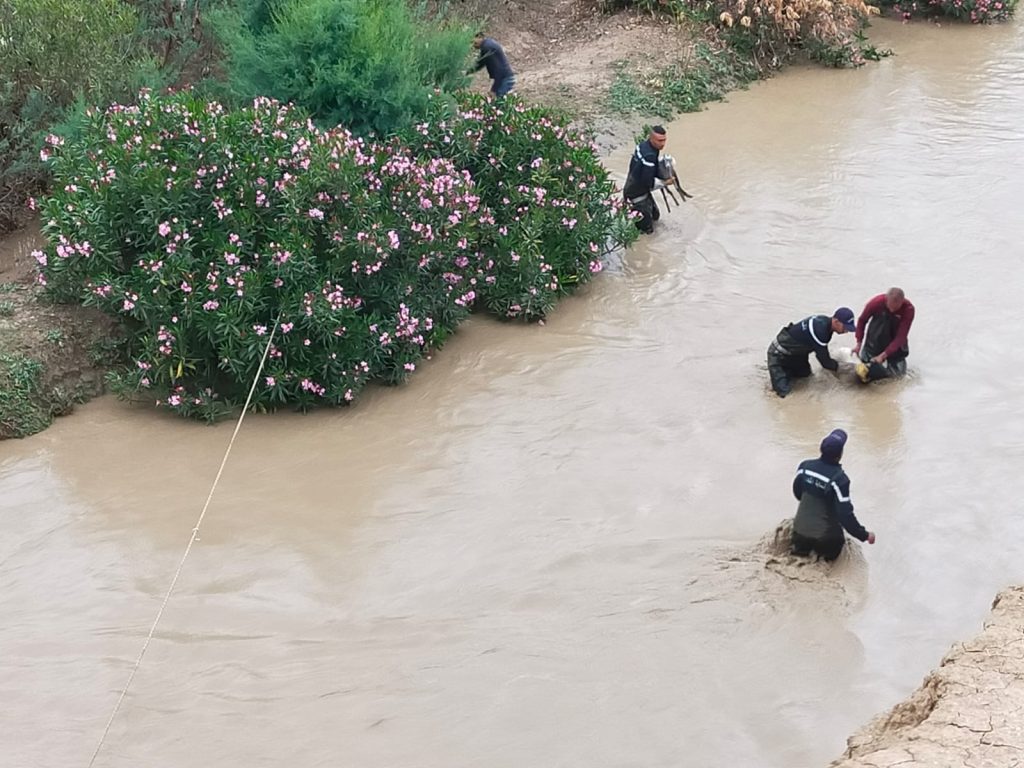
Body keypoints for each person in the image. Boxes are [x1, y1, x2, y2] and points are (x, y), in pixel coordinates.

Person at [791, 429, 876, 561]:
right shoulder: (840, 480)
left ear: (821, 449)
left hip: (799, 535)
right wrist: (865, 535)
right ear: (840, 454)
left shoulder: (804, 467)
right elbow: (845, 516)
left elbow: (798, 494)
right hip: (827, 541)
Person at [767, 308, 857, 398]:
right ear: (836, 321)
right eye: (845, 327)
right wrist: (851, 369)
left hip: (797, 355)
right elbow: (825, 362)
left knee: (805, 379)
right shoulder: (820, 331)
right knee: (785, 396)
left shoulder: (825, 323)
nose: (846, 331)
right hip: (778, 354)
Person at [853, 287, 915, 383]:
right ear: (886, 299)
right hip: (875, 338)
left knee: (896, 378)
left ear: (902, 302)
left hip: (895, 341)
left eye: (895, 308)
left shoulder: (908, 309)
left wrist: (883, 355)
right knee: (862, 374)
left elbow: (901, 336)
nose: (892, 310)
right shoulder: (876, 302)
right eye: (889, 307)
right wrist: (858, 343)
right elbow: (862, 320)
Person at [623, 126, 668, 234]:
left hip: (634, 189)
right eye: (660, 140)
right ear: (651, 138)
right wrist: (665, 183)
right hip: (637, 197)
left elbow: (646, 169)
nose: (662, 144)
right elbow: (648, 183)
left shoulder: (643, 146)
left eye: (664, 140)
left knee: (655, 217)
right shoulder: (650, 156)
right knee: (647, 232)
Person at [470, 33, 516, 100]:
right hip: (504, 77)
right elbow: (480, 63)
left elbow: (498, 69)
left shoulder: (487, 47)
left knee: (498, 102)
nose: (472, 45)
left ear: (480, 37)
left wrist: (494, 89)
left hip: (504, 78)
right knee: (496, 101)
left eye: (473, 42)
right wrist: (468, 71)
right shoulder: (488, 45)